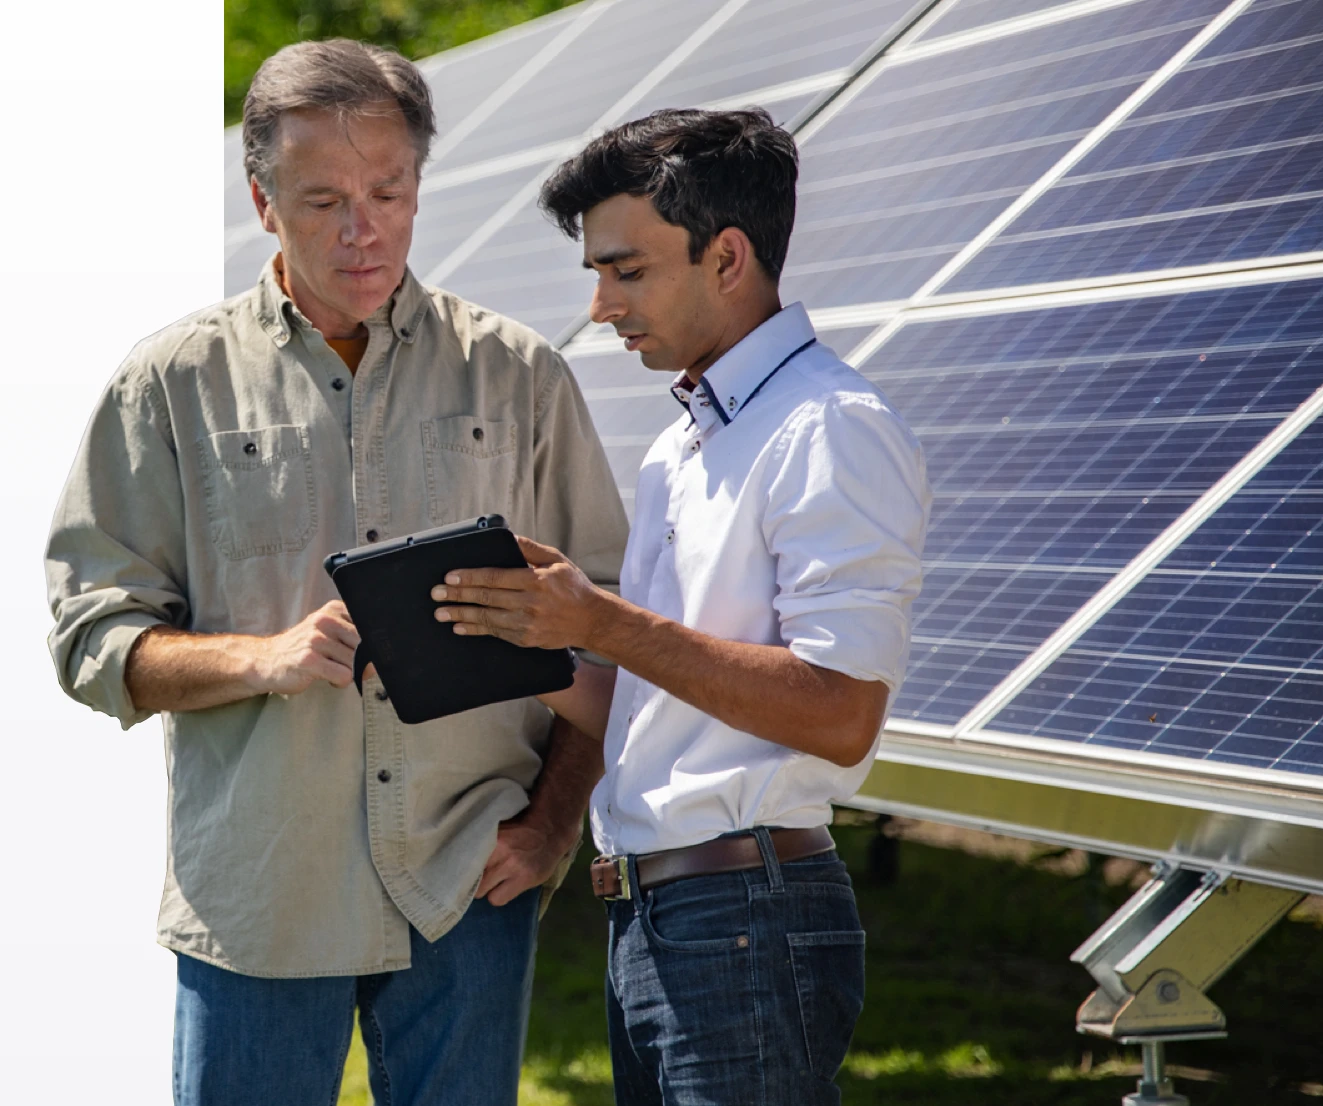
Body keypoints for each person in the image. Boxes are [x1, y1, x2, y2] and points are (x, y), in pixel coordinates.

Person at [45, 39, 627, 1106]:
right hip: (263, 894)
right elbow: (92, 638)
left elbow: (610, 630)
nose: (363, 229)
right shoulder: (168, 384)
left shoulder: (520, 373)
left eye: (388, 191)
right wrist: (260, 657)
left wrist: (549, 827)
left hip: (468, 888)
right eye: (323, 200)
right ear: (263, 203)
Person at [430, 108, 931, 1105]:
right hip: (662, 917)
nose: (601, 305)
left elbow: (839, 713)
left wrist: (604, 622)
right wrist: (518, 634)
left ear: (727, 257)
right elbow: (663, 708)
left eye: (625, 270)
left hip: (747, 916)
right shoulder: (684, 445)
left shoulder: (829, 428)